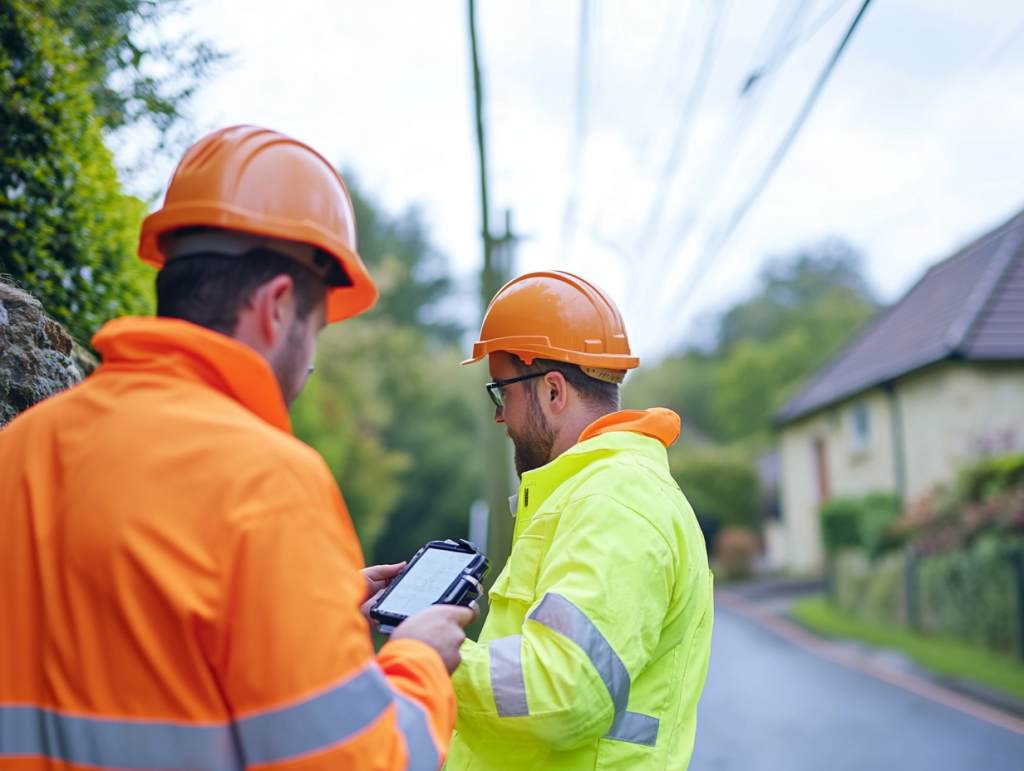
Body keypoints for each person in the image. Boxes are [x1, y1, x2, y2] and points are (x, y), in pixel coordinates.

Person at [0, 125, 474, 771]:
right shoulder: (267, 482)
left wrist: (323, 596)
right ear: (277, 307)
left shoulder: (22, 446)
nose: (309, 361)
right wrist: (417, 658)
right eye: (317, 329)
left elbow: (127, 638)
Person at [446, 271, 714, 771]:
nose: (500, 416)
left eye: (502, 391)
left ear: (553, 392)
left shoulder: (614, 502)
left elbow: (563, 691)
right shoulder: (594, 496)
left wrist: (439, 658)